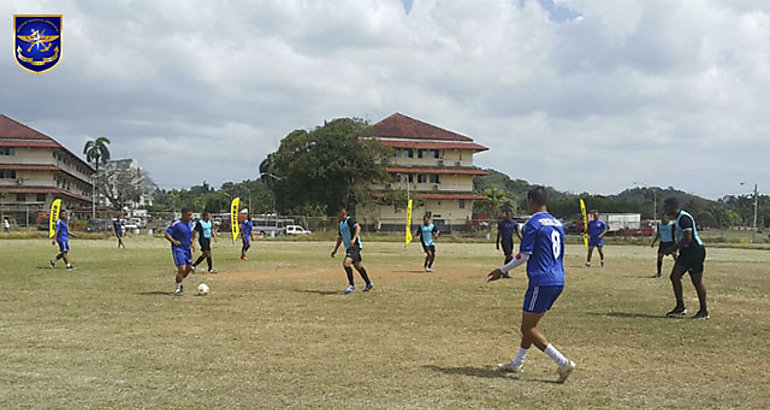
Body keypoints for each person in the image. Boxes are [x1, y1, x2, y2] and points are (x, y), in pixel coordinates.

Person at [488, 187, 575, 383]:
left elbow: (524, 255)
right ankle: (518, 362)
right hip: (558, 279)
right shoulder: (557, 223)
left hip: (541, 280)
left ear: (530, 202)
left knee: (527, 328)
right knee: (530, 325)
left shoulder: (533, 223)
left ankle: (562, 362)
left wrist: (502, 270)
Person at [662, 198, 709, 320]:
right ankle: (680, 307)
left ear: (673, 206)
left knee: (697, 282)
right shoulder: (677, 220)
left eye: (666, 207)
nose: (665, 210)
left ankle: (704, 311)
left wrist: (672, 248)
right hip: (686, 252)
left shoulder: (684, 218)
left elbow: (687, 238)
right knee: (674, 276)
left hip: (695, 251)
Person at [331, 208, 373, 294]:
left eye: (338, 215)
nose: (337, 217)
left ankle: (351, 285)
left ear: (343, 214)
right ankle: (369, 283)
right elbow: (340, 238)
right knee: (358, 266)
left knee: (346, 264)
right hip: (349, 248)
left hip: (355, 246)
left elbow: (358, 227)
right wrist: (335, 250)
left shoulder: (350, 220)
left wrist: (354, 239)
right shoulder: (341, 224)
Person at [165, 208, 194, 296]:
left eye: (191, 215)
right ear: (183, 215)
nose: (190, 217)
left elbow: (191, 234)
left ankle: (180, 282)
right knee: (182, 269)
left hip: (187, 249)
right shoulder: (176, 224)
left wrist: (192, 242)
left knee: (188, 268)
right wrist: (174, 241)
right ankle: (178, 289)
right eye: (188, 215)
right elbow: (167, 234)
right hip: (178, 249)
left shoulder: (190, 224)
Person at [496, 209, 522, 277]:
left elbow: (518, 233)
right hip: (504, 241)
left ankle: (505, 271)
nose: (507, 216)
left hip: (510, 241)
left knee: (509, 257)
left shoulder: (514, 223)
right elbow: (499, 233)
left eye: (508, 214)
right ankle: (504, 271)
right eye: (506, 214)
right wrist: (497, 243)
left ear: (511, 215)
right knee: (509, 256)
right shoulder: (502, 223)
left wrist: (523, 240)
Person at [650, 213, 677, 278]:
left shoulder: (672, 225)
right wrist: (653, 242)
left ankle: (678, 272)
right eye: (662, 218)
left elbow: (676, 234)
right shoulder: (659, 225)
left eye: (664, 218)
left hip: (671, 243)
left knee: (675, 257)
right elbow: (658, 234)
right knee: (659, 257)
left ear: (667, 219)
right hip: (663, 243)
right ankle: (659, 273)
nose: (663, 220)